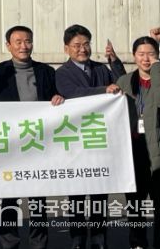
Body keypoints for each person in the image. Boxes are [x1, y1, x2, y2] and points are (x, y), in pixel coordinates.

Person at [0, 26, 64, 249]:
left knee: (38, 200)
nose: (23, 46)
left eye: (27, 41)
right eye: (17, 42)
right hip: (9, 144)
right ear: (8, 45)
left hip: (37, 142)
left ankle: (39, 244)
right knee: (8, 198)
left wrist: (58, 97)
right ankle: (10, 243)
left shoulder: (46, 71)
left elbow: (56, 95)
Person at [55, 24, 125, 249]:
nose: (82, 49)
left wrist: (114, 61)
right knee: (76, 197)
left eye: (86, 44)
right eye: (77, 45)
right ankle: (77, 240)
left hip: (100, 140)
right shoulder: (62, 73)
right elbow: (73, 94)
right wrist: (103, 90)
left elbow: (122, 84)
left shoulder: (101, 69)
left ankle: (99, 240)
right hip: (75, 143)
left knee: (99, 196)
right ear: (66, 48)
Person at [115, 35, 160, 249]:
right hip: (134, 150)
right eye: (141, 54)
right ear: (134, 56)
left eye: (151, 54)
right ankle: (137, 243)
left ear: (157, 56)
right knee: (135, 203)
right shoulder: (124, 82)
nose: (146, 58)